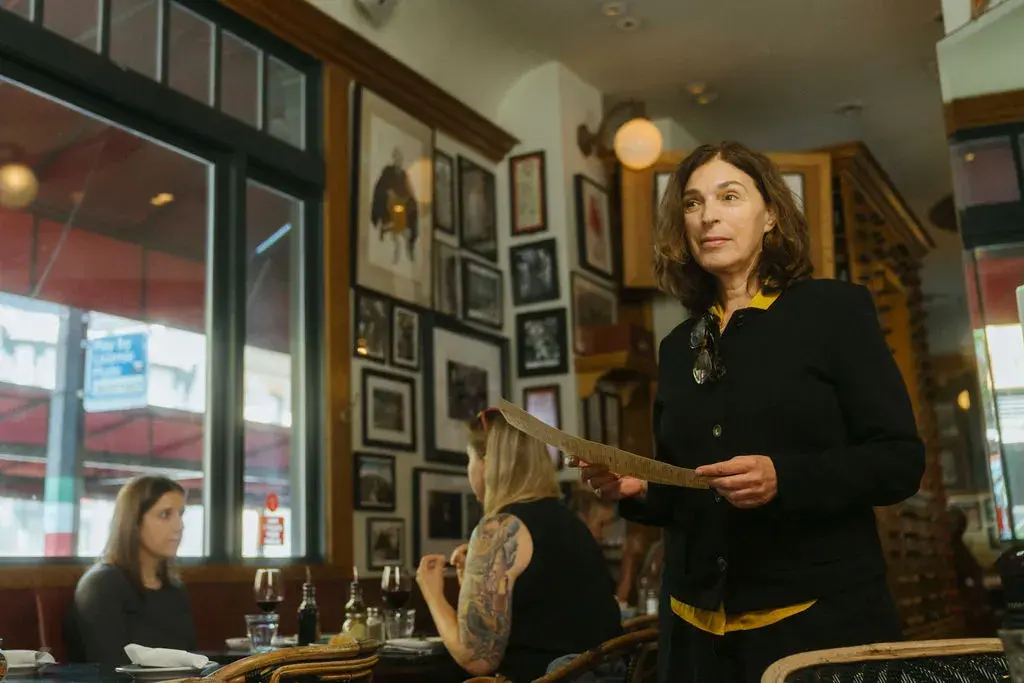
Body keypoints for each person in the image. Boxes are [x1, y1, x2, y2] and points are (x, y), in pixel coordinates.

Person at [580, 141, 926, 683]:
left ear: (770, 215)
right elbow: (691, 488)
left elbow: (899, 461)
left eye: (729, 196)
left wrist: (783, 478)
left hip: (813, 630)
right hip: (693, 639)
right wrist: (641, 490)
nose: (707, 215)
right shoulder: (676, 348)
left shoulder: (834, 312)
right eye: (692, 203)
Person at [417, 408, 622, 682]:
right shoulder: (570, 521)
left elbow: (476, 658)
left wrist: (432, 593)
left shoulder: (501, 528)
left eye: (469, 459)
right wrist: (475, 575)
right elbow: (544, 609)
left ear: (488, 464)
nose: (469, 470)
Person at [67, 476, 195, 666]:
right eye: (165, 515)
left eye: (181, 514)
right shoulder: (101, 585)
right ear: (134, 522)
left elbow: (191, 660)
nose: (179, 526)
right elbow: (109, 666)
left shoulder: (175, 589)